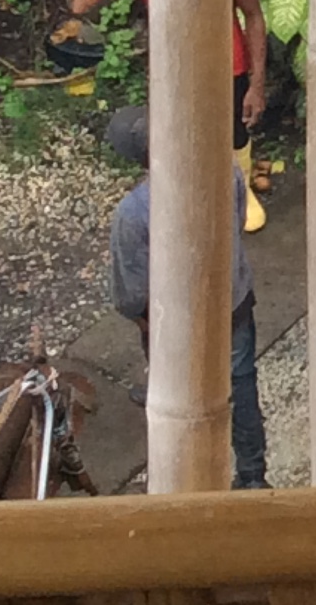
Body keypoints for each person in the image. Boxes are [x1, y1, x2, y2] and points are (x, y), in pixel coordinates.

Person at [70, 0, 271, 232]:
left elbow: (253, 17)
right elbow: (82, 3)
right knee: (179, 132)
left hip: (226, 64)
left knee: (234, 132)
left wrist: (256, 84)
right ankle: (193, 194)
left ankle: (239, 189)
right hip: (173, 67)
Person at [104, 108, 268, 488]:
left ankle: (185, 474)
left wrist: (141, 319)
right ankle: (253, 474)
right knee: (241, 384)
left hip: (173, 316)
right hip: (232, 301)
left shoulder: (134, 212)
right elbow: (240, 218)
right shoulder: (226, 172)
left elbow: (131, 286)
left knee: (176, 387)